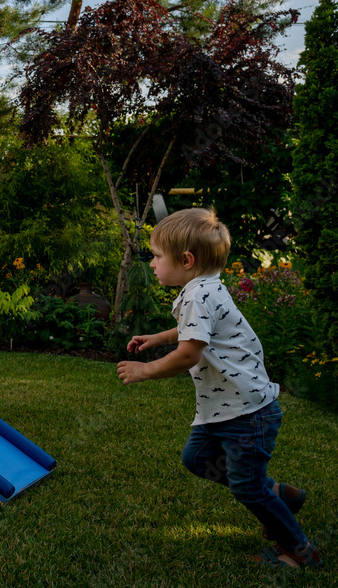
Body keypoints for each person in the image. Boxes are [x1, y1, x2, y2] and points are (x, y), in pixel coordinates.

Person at [116, 208, 321, 569]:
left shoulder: (198, 295)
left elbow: (188, 354)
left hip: (247, 414)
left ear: (186, 260)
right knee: (197, 459)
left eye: (157, 256)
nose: (153, 263)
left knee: (246, 486)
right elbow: (194, 330)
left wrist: (145, 370)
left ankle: (299, 551)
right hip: (225, 408)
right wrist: (159, 338)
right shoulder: (206, 288)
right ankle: (280, 495)